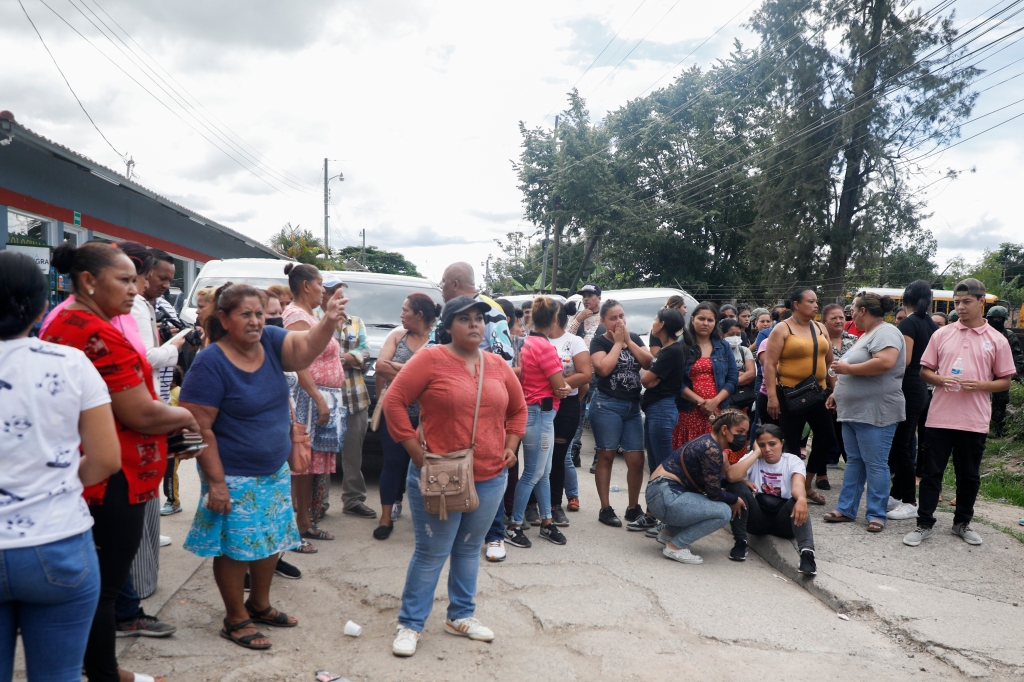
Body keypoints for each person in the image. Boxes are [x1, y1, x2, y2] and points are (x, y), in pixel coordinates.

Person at [45, 241, 199, 682]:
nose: (136, 289)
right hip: (112, 476)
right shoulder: (95, 332)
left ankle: (93, 667)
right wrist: (191, 416)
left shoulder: (75, 319)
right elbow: (139, 412)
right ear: (89, 281)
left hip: (97, 468)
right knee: (103, 588)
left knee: (94, 585)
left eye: (136, 280)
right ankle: (103, 672)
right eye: (125, 280)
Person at [179, 281, 348, 650]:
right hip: (233, 475)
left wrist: (328, 322)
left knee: (271, 541)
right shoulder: (212, 361)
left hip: (273, 471)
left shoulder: (271, 342)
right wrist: (217, 483)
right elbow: (199, 426)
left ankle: (259, 604)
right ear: (223, 318)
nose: (256, 321)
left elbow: (303, 351)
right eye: (246, 314)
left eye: (259, 313)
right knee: (236, 549)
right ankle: (235, 618)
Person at [0, 252, 122, 682]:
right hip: (58, 547)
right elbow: (107, 459)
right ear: (40, 307)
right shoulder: (70, 365)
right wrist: (57, 481)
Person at [384, 296, 527, 657]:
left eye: (479, 318)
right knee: (432, 552)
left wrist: (511, 445)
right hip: (441, 474)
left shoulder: (497, 364)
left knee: (466, 549)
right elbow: (394, 402)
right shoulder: (431, 359)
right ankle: (410, 624)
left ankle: (460, 616)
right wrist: (417, 454)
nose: (475, 325)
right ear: (448, 326)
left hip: (491, 476)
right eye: (465, 319)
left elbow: (519, 408)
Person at [904, 279, 1016, 547]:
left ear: (981, 302)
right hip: (940, 416)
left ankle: (962, 522)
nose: (961, 307)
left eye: (966, 301)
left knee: (969, 475)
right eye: (957, 302)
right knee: (931, 473)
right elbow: (924, 371)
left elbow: (1005, 381)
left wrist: (982, 385)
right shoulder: (941, 334)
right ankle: (923, 523)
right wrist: (939, 380)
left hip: (974, 420)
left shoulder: (997, 340)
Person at [823, 291, 905, 533]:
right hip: (854, 411)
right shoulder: (866, 335)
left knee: (876, 463)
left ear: (862, 311)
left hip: (875, 411)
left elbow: (885, 362)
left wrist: (847, 368)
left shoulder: (886, 332)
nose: (850, 315)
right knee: (855, 462)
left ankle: (877, 513)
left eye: (852, 310)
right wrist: (836, 393)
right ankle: (846, 509)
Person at [281, 265, 347, 553]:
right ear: (306, 285)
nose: (323, 289)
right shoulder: (296, 315)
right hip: (308, 400)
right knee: (301, 464)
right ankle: (294, 528)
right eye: (320, 283)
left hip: (320, 397)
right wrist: (319, 398)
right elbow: (300, 362)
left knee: (309, 465)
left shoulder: (310, 315)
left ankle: (304, 522)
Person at [373, 294, 439, 540]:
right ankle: (385, 518)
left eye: (405, 310)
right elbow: (380, 366)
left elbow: (441, 375)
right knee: (392, 464)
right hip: (396, 413)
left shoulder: (438, 340)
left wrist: (399, 370)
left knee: (427, 467)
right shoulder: (397, 336)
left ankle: (427, 518)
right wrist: (417, 374)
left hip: (427, 416)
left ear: (419, 315)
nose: (401, 315)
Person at [505, 297, 570, 548]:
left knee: (543, 472)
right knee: (533, 473)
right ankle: (514, 526)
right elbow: (559, 385)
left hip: (538, 413)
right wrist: (562, 388)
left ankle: (546, 522)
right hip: (540, 415)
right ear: (555, 319)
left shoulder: (529, 342)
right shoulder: (545, 348)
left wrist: (560, 388)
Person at [763, 288, 836, 506]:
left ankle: (807, 482)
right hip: (790, 395)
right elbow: (769, 363)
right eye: (811, 301)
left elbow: (830, 360)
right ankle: (792, 491)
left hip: (818, 394)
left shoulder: (821, 327)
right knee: (791, 446)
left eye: (816, 302)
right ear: (796, 304)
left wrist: (834, 390)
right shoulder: (782, 329)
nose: (816, 305)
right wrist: (772, 397)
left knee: (827, 439)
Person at [646, 411, 749, 565]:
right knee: (723, 512)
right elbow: (714, 493)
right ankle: (676, 546)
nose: (742, 437)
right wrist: (735, 499)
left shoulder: (708, 442)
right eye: (739, 432)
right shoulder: (712, 449)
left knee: (707, 504)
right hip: (666, 497)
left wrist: (739, 483)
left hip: (659, 495)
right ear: (724, 429)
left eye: (745, 433)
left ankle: (668, 534)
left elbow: (712, 481)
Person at [589, 299, 654, 528]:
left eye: (621, 316)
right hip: (607, 405)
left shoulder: (634, 338)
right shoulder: (598, 342)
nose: (619, 321)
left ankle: (632, 507)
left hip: (632, 407)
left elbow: (648, 363)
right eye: (613, 318)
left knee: (636, 459)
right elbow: (603, 369)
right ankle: (605, 508)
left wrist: (628, 340)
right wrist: (617, 343)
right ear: (603, 321)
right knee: (605, 455)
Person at [725, 425, 816, 575]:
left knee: (797, 500)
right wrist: (755, 454)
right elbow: (731, 476)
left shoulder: (792, 460)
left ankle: (807, 554)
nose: (767, 449)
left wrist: (801, 499)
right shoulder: (753, 457)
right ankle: (740, 542)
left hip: (783, 520)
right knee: (736, 487)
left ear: (782, 443)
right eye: (762, 445)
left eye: (772, 444)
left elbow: (798, 484)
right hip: (757, 519)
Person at [885, 282, 939, 521]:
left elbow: (904, 360)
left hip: (908, 384)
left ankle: (909, 500)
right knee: (906, 441)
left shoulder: (908, 322)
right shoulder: (930, 323)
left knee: (901, 446)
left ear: (905, 298)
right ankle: (897, 494)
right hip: (922, 388)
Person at [634, 307, 686, 534]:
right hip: (657, 409)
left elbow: (647, 379)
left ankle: (669, 519)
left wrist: (650, 379)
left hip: (663, 410)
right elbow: (650, 380)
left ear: (663, 325)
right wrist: (651, 379)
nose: (653, 323)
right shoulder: (668, 350)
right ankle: (652, 514)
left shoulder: (671, 352)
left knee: (665, 467)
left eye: (656, 319)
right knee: (655, 464)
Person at [332, 280, 376, 520]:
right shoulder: (316, 321)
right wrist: (352, 358)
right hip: (326, 399)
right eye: (334, 297)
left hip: (355, 397)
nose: (339, 301)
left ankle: (353, 500)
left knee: (353, 455)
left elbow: (366, 351)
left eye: (341, 297)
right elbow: (316, 354)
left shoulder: (356, 322)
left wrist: (339, 357)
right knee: (321, 454)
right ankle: (316, 503)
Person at [545, 302, 592, 525]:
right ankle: (532, 505)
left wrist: (563, 385)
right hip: (539, 405)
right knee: (538, 460)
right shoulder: (536, 340)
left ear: (555, 317)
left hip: (566, 405)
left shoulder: (574, 341)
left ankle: (554, 505)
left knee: (558, 458)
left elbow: (585, 374)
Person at [673, 302, 738, 450]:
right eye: (701, 319)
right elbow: (676, 381)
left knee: (713, 456)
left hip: (717, 412)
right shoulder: (681, 346)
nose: (705, 323)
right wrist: (701, 402)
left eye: (710, 320)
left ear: (715, 323)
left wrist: (715, 401)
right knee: (688, 456)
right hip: (688, 411)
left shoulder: (723, 346)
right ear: (692, 319)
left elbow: (733, 378)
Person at [566, 283, 604, 472]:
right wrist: (578, 319)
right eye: (584, 295)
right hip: (580, 373)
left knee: (598, 415)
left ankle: (600, 454)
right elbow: (566, 339)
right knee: (577, 412)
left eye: (591, 295)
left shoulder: (605, 319)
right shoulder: (576, 318)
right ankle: (574, 451)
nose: (587, 299)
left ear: (599, 298)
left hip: (599, 374)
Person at [819, 303, 857, 488]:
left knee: (847, 437)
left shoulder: (855, 340)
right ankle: (820, 473)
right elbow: (826, 368)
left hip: (850, 393)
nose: (839, 321)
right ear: (824, 322)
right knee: (827, 435)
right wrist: (835, 392)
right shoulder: (820, 341)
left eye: (842, 317)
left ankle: (853, 477)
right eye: (833, 318)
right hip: (826, 393)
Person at [984, 306, 1024, 437]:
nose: (996, 321)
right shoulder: (981, 334)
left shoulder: (1009, 335)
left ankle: (999, 426)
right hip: (983, 371)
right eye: (993, 318)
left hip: (1001, 372)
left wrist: (1016, 370)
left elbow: (1017, 354)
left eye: (999, 319)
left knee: (1001, 400)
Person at [720, 318, 755, 415]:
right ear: (721, 335)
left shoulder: (744, 351)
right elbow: (717, 375)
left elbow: (751, 374)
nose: (735, 337)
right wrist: (739, 374)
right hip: (720, 400)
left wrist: (730, 382)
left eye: (738, 334)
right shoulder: (716, 352)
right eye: (731, 335)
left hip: (741, 400)